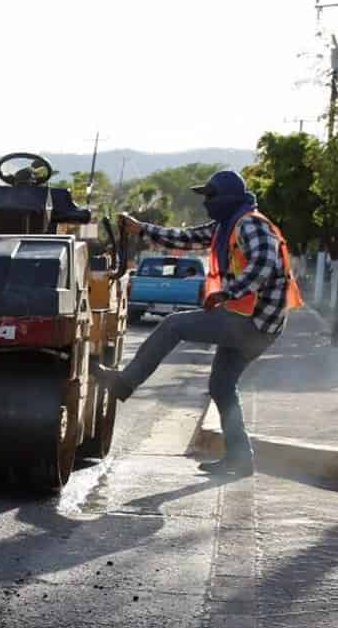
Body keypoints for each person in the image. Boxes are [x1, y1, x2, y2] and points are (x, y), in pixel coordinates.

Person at [105, 170, 304, 477]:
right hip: (252, 323)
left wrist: (228, 292)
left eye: (210, 197)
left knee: (173, 325)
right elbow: (187, 238)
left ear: (226, 197)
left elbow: (264, 264)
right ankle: (241, 458)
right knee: (222, 387)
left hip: (251, 322)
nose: (207, 203)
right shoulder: (227, 225)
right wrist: (140, 229)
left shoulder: (249, 223)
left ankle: (126, 382)